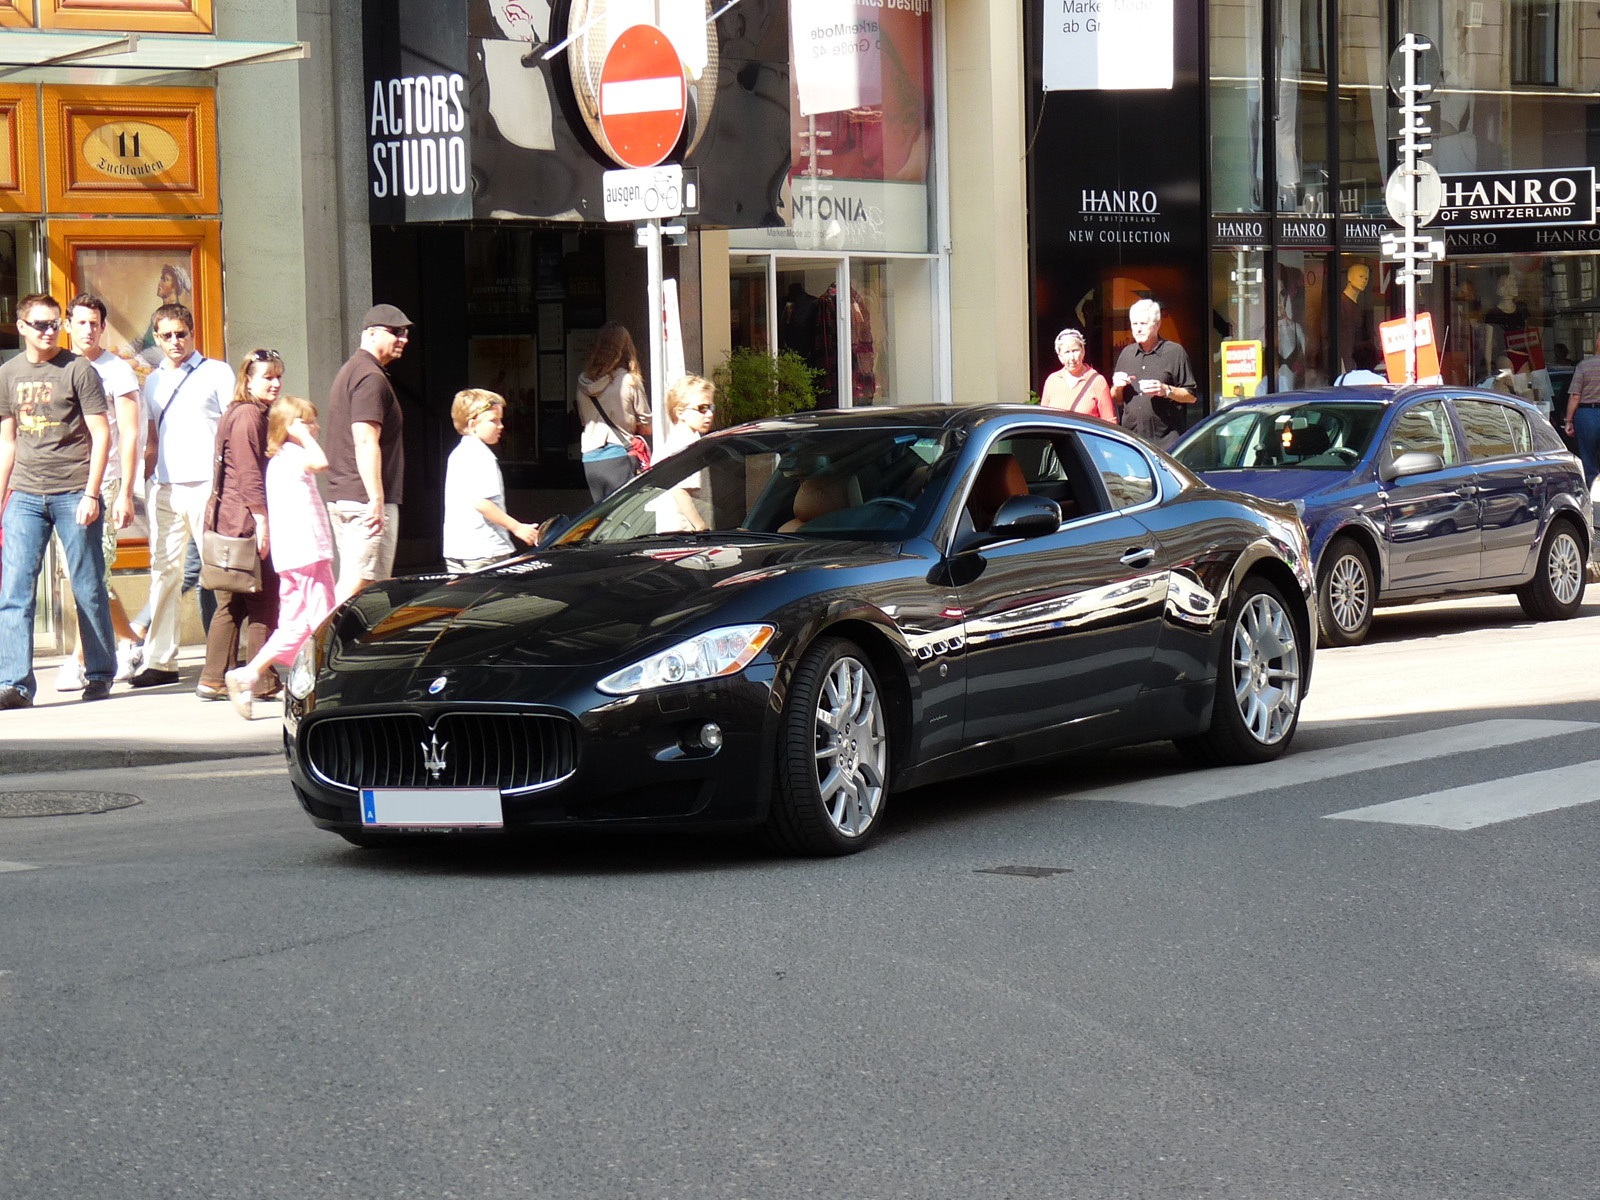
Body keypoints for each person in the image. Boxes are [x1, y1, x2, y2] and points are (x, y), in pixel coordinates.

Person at [0, 293, 114, 708]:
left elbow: (101, 434)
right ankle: (14, 683)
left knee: (87, 585)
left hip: (72, 491)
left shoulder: (78, 369)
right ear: (22, 327)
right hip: (26, 494)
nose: (49, 331)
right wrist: (2, 499)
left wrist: (91, 492)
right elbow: (7, 441)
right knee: (14, 589)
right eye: (40, 324)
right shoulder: (9, 373)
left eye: (54, 324)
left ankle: (100, 673)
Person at [131, 302, 233, 688]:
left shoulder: (216, 372)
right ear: (156, 337)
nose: (175, 341)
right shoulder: (153, 380)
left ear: (193, 332)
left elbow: (231, 427)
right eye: (167, 335)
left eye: (181, 333)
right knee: (164, 574)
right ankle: (160, 661)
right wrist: (145, 482)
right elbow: (153, 436)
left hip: (208, 485)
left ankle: (222, 659)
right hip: (166, 487)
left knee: (218, 575)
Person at [224, 395, 334, 720]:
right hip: (309, 553)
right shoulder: (296, 453)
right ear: (290, 427)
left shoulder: (277, 460)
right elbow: (322, 462)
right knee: (323, 622)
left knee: (293, 625)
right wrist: (302, 435)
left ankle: (247, 675)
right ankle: (323, 689)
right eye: (309, 421)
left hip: (290, 557)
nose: (316, 427)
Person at [56, 294, 143, 689]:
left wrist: (125, 490)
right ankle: (128, 639)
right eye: (81, 322)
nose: (88, 329)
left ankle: (82, 657)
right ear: (67, 325)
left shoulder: (117, 371)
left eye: (95, 323)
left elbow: (129, 434)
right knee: (83, 575)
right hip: (63, 484)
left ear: (103, 327)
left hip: (104, 483)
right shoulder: (58, 366)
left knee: (91, 572)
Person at [197, 350, 283, 701]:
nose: (275, 383)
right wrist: (262, 520)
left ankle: (213, 678)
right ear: (248, 379)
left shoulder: (239, 411)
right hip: (245, 523)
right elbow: (249, 474)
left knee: (232, 602)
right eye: (267, 377)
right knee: (264, 601)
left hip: (229, 520)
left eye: (278, 376)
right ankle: (258, 679)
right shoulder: (249, 415)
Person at [325, 304, 410, 604]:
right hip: (366, 503)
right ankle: (310, 647)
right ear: (371, 333)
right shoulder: (371, 378)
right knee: (358, 586)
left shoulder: (353, 370)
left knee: (367, 590)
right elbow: (365, 440)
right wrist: (375, 498)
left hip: (350, 498)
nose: (404, 338)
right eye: (396, 332)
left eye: (406, 333)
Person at [443, 388, 537, 572]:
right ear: (472, 425)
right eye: (493, 420)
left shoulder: (457, 453)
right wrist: (517, 528)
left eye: (500, 419)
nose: (500, 425)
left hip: (457, 549)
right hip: (486, 549)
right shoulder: (482, 456)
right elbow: (482, 503)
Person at [576, 321, 649, 503]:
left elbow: (584, 419)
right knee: (625, 518)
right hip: (620, 455)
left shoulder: (583, 382)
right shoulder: (630, 381)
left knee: (603, 518)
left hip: (591, 460)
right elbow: (648, 426)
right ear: (627, 348)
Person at [1111, 298, 1199, 449]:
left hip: (1165, 443)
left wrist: (1165, 390)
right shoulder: (1126, 354)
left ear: (1157, 325)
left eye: (1143, 324)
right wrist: (1117, 388)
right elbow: (1117, 399)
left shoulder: (1175, 352)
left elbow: (1191, 396)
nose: (1138, 329)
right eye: (1134, 324)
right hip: (1131, 442)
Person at [655, 375, 717, 533]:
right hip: (686, 534)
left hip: (671, 533)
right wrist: (700, 526)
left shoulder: (674, 439)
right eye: (702, 408)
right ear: (680, 412)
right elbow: (680, 491)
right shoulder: (687, 443)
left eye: (711, 408)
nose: (709, 414)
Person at [1039, 329, 1115, 420]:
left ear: (1083, 352)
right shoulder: (1052, 381)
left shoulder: (1097, 382)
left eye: (1075, 351)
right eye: (1067, 352)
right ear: (1060, 357)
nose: (1072, 358)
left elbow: (1110, 422)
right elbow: (1043, 418)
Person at [1562, 330, 1600, 486]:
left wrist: (1568, 421)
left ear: (1597, 343)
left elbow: (1575, 396)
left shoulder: (1584, 366)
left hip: (1587, 415)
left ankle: (1594, 497)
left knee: (1589, 461)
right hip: (1587, 414)